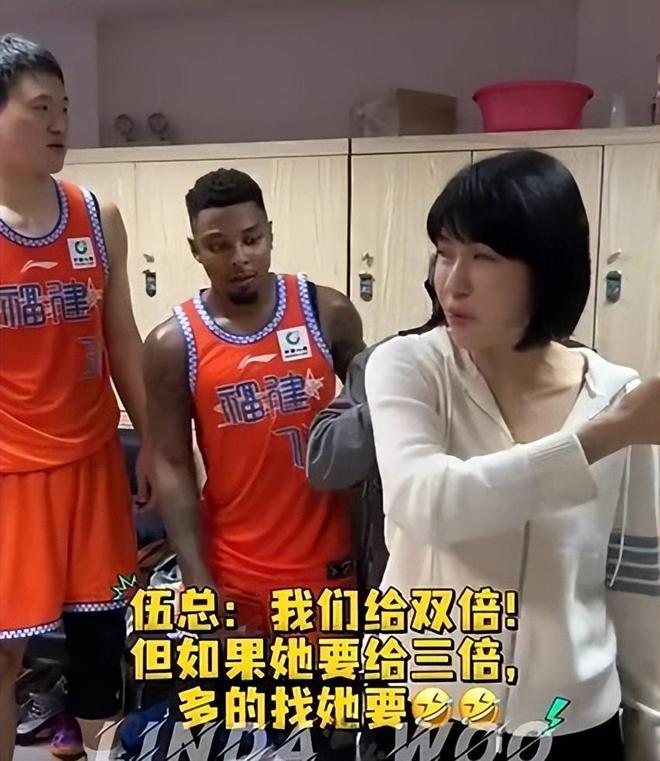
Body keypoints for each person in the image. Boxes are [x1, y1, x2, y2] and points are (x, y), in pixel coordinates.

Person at [362, 150, 660, 761]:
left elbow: (635, 576)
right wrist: (600, 438)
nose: (452, 282)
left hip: (572, 720)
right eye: (444, 252)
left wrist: (648, 729)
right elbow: (427, 504)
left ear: (547, 268)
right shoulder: (411, 367)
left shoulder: (616, 394)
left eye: (484, 257)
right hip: (429, 713)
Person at [143, 168, 365, 751]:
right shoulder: (172, 344)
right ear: (196, 250)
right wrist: (196, 580)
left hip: (327, 567)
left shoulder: (327, 313)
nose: (240, 257)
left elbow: (375, 419)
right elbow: (171, 464)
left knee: (333, 734)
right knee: (244, 732)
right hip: (235, 570)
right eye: (219, 245)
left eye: (252, 239)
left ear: (270, 232)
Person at [0, 35, 150, 760]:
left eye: (65, 106)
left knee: (101, 646)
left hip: (94, 464)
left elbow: (123, 339)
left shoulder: (97, 214)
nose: (60, 122)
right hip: (9, 474)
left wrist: (160, 446)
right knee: (3, 656)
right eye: (40, 108)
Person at [306, 268, 441, 594]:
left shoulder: (557, 368)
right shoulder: (387, 361)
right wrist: (397, 395)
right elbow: (325, 464)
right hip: (399, 584)